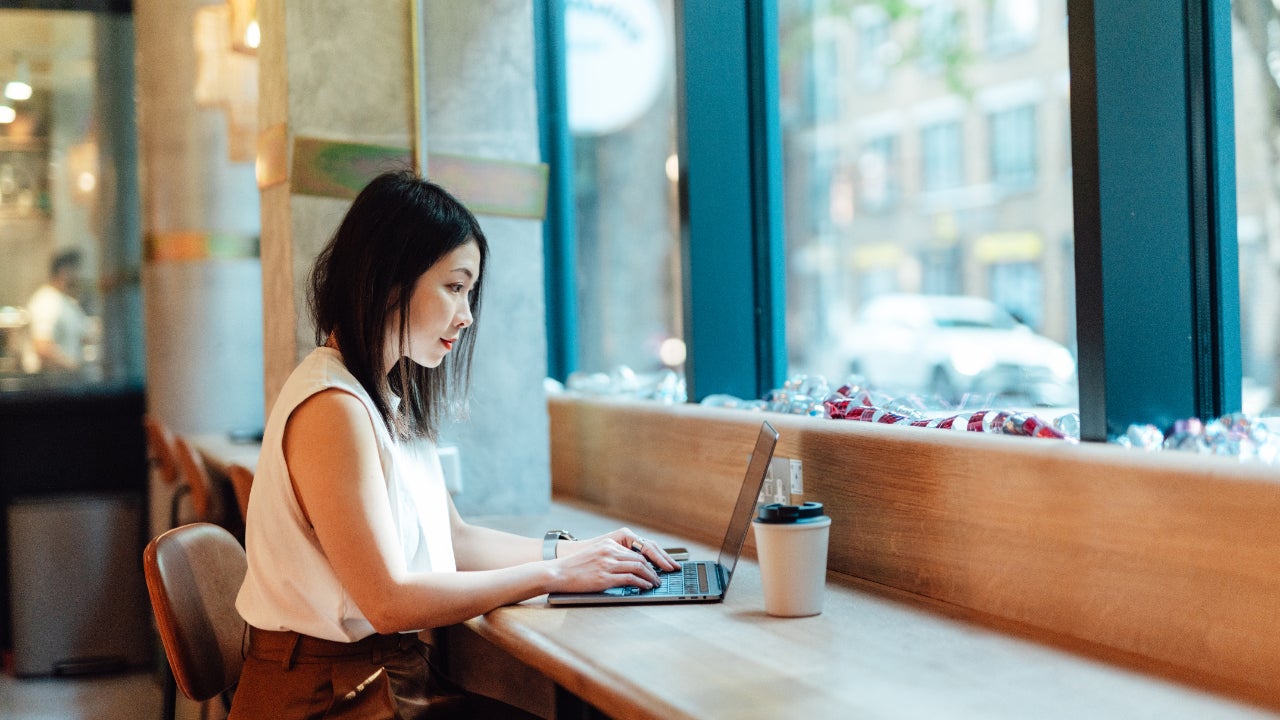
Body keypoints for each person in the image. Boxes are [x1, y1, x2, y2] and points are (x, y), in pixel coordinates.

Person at [231, 171, 677, 720]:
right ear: (391, 278)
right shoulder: (333, 407)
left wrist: (577, 553)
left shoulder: (381, 397)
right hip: (327, 696)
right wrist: (555, 576)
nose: (466, 316)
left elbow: (456, 540)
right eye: (454, 287)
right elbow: (389, 600)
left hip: (379, 679)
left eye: (469, 292)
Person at [22, 249, 90, 373]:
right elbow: (42, 348)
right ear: (64, 271)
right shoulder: (45, 301)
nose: (79, 276)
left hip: (68, 382)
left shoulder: (68, 302)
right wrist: (72, 367)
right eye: (76, 270)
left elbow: (84, 337)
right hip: (50, 384)